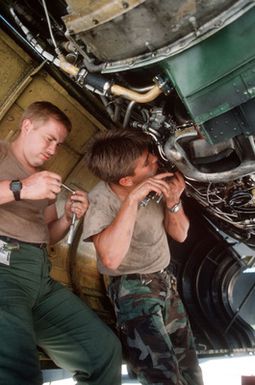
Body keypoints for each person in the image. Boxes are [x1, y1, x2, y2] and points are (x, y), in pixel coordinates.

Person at [0, 101, 122, 385]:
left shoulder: (44, 177)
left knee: (103, 352)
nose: (53, 150)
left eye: (59, 144)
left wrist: (68, 217)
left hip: (39, 278)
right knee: (18, 371)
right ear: (27, 125)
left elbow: (49, 234)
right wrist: (24, 187)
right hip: (4, 271)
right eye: (50, 139)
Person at [82, 128, 204, 385]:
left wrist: (173, 202)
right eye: (147, 164)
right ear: (126, 181)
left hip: (164, 282)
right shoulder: (100, 202)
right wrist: (133, 200)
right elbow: (111, 259)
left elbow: (180, 234)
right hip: (132, 291)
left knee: (189, 370)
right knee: (161, 375)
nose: (155, 163)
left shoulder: (155, 183)